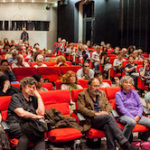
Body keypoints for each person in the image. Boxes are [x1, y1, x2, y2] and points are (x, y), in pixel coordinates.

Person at [77, 78, 138, 150]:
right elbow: (81, 108)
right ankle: (124, 143)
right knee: (108, 118)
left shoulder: (101, 93)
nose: (97, 88)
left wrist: (106, 112)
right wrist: (96, 114)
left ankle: (112, 148)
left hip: (104, 118)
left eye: (98, 86)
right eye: (95, 86)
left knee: (108, 126)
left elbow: (108, 105)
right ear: (89, 86)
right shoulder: (82, 95)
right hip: (91, 119)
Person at [6, 77, 45, 150]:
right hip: (15, 124)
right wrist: (36, 116)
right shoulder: (16, 97)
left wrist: (39, 97)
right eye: (29, 87)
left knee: (38, 133)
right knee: (32, 132)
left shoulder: (33, 98)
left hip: (29, 124)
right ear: (22, 87)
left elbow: (41, 113)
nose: (32, 89)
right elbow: (21, 113)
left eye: (34, 87)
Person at [115, 76, 150, 140]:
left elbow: (140, 105)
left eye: (130, 83)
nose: (128, 84)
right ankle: (123, 143)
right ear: (122, 83)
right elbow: (122, 109)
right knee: (131, 122)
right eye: (126, 82)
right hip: (124, 116)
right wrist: (132, 117)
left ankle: (142, 138)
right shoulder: (118, 94)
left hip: (137, 116)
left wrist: (138, 116)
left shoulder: (134, 92)